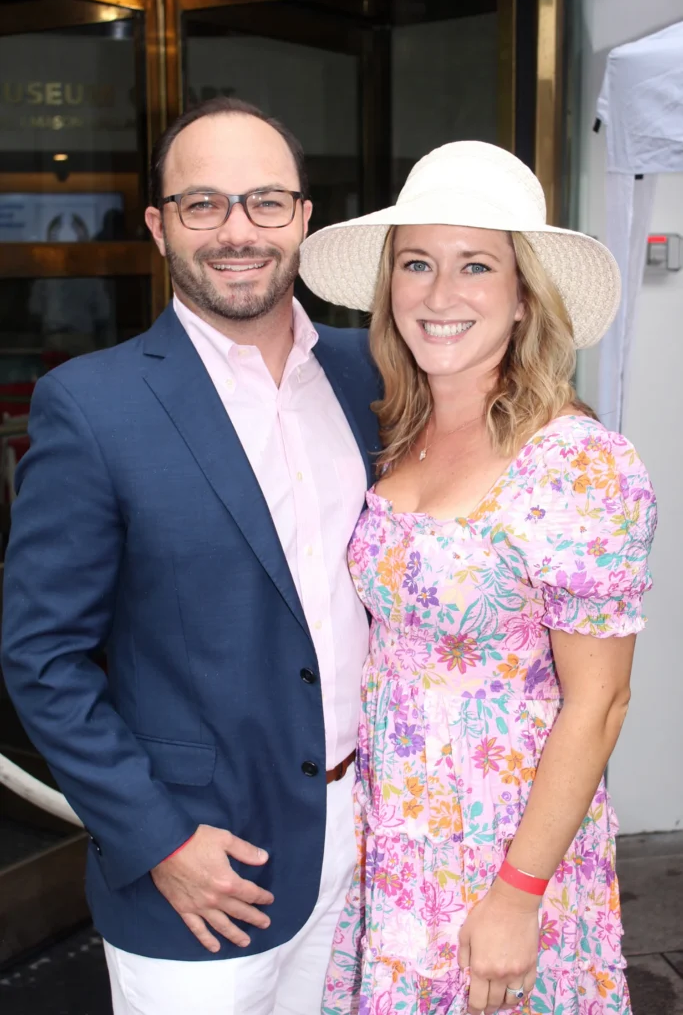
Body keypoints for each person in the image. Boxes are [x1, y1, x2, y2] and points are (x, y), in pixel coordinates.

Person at [1, 97, 380, 1015]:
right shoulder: (91, 405)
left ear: (303, 217)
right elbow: (42, 657)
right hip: (203, 873)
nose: (236, 231)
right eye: (202, 203)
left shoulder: (373, 372)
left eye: (265, 202)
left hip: (374, 840)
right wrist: (159, 839)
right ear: (158, 225)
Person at [299, 141, 657, 1015]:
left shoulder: (578, 464)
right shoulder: (400, 434)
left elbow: (600, 702)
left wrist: (518, 894)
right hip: (394, 841)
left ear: (523, 294)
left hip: (501, 848)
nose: (439, 294)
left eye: (475, 265)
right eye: (416, 263)